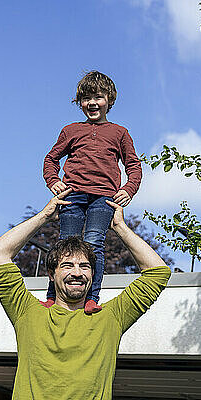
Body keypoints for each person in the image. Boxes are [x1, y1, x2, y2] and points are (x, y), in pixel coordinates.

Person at [0, 190, 170, 400]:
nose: (77, 273)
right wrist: (44, 216)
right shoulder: (26, 312)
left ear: (93, 274)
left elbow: (158, 272)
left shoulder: (111, 318)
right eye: (67, 266)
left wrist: (120, 227)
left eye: (84, 266)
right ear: (51, 274)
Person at [43, 71, 143, 313]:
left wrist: (128, 190)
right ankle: (52, 296)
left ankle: (91, 298)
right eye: (86, 98)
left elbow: (134, 165)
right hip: (72, 194)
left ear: (109, 99)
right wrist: (53, 181)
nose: (92, 103)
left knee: (94, 242)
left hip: (103, 197)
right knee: (65, 246)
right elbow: (51, 159)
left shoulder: (119, 133)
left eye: (98, 97)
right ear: (80, 103)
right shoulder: (71, 130)